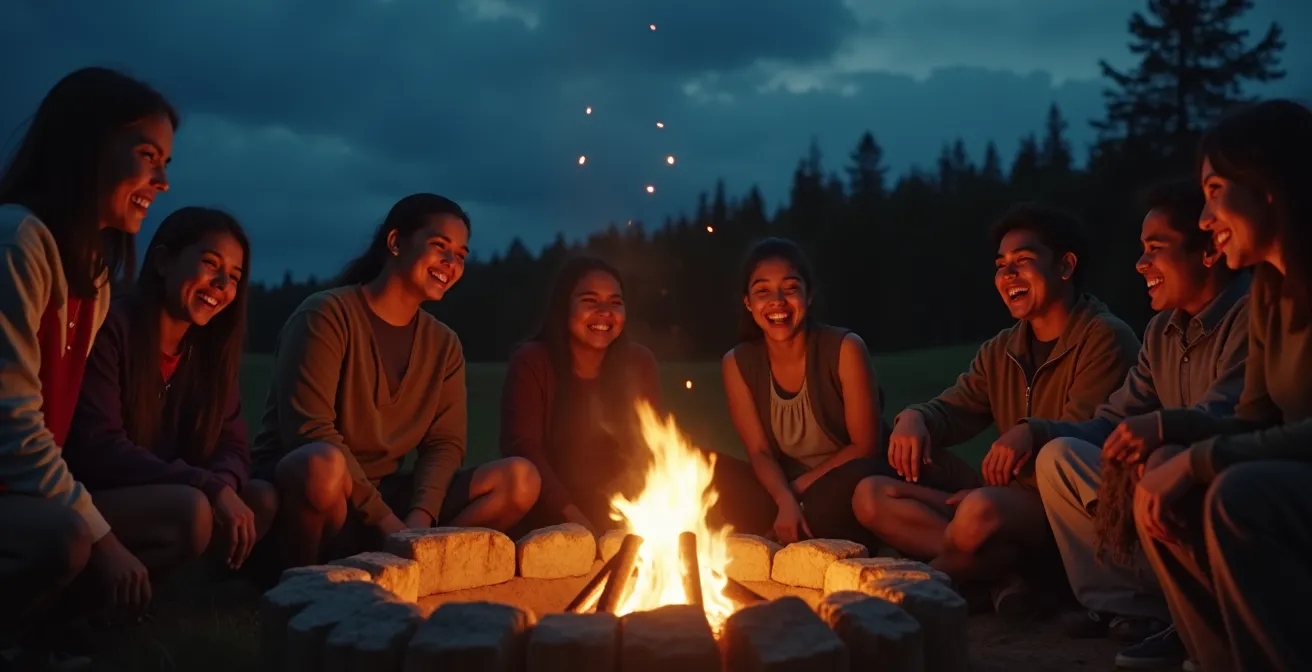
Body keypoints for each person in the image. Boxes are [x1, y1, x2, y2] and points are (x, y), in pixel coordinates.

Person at [852, 203, 1141, 615]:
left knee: (978, 512)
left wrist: (1024, 442)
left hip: (1067, 510)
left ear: (1065, 266)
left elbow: (1081, 442)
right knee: (870, 496)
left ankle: (901, 594)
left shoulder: (1104, 338)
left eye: (1022, 261)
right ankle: (1005, 572)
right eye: (1001, 265)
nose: (1008, 275)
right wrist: (915, 417)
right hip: (1000, 501)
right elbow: (954, 409)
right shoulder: (1003, 349)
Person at [252, 193, 540, 570]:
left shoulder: (444, 345)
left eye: (460, 254)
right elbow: (311, 431)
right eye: (439, 246)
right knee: (323, 465)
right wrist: (388, 524)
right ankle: (303, 581)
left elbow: (444, 444)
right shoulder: (326, 316)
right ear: (395, 242)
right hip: (310, 495)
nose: (451, 262)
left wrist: (420, 519)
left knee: (520, 479)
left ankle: (425, 570)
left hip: (384, 497)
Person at [1031, 179, 1248, 670]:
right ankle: (1136, 609)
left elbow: (1231, 415)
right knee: (1059, 458)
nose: (1140, 263)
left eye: (1155, 248)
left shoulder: (1248, 316)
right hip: (1167, 475)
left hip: (1223, 476)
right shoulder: (1161, 331)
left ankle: (1202, 616)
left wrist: (1161, 429)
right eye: (1141, 249)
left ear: (1209, 252)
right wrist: (1039, 431)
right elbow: (1115, 419)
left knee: (1164, 460)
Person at [0, 67, 176, 666]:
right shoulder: (17, 241)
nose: (162, 182)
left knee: (186, 517)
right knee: (67, 537)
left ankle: (51, 629)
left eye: (165, 163)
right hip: (15, 493)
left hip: (31, 494)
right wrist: (104, 538)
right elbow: (14, 427)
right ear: (89, 144)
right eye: (148, 157)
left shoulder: (93, 274)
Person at [1133, 99, 1312, 671]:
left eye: (1215, 191)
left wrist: (1197, 459)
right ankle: (1217, 658)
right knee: (1162, 473)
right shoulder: (1269, 291)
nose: (1206, 217)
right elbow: (1256, 418)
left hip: (1287, 481)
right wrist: (1169, 434)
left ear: (1269, 187)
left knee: (1238, 494)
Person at [64, 207, 278, 581]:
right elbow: (101, 449)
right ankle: (103, 589)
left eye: (234, 276)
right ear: (163, 261)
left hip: (176, 492)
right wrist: (208, 486)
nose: (221, 284)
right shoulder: (113, 328)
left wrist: (223, 484)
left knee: (261, 498)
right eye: (210, 264)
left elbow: (233, 446)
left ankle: (190, 590)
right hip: (98, 497)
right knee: (192, 510)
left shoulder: (209, 353)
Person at [718, 238, 892, 544]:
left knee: (826, 506)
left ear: (808, 295)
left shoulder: (845, 348)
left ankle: (793, 529)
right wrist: (783, 498)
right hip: (783, 487)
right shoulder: (737, 363)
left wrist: (794, 492)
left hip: (848, 480)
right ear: (748, 302)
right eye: (763, 292)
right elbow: (759, 452)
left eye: (790, 288)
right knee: (710, 473)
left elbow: (865, 446)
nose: (777, 301)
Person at [500, 256, 662, 534]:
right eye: (590, 301)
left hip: (621, 510)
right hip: (549, 511)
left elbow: (650, 447)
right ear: (564, 307)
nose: (604, 312)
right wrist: (575, 519)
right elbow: (524, 450)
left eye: (615, 302)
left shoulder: (638, 363)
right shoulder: (533, 361)